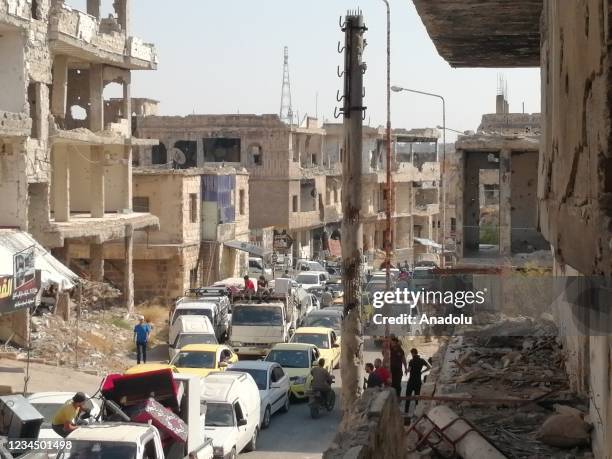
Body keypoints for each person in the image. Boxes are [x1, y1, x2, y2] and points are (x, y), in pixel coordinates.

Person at [405, 348, 432, 413]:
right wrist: (422, 371)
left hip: (411, 381)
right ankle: (417, 411)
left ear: (413, 353)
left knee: (408, 396)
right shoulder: (422, 360)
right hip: (418, 381)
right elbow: (429, 367)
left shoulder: (411, 361)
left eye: (411, 353)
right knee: (417, 397)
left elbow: (408, 370)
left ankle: (406, 411)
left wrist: (406, 370)